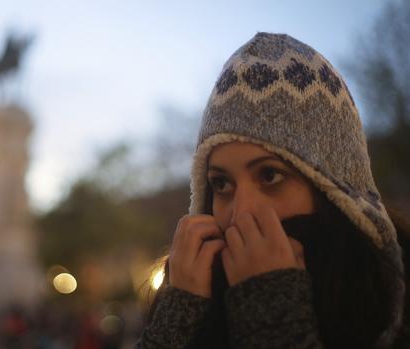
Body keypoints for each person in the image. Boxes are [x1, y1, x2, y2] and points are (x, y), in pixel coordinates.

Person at [135, 32, 410, 348]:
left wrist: (273, 321)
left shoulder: (395, 310)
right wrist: (174, 324)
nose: (241, 212)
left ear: (334, 187)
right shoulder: (194, 302)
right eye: (221, 184)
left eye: (270, 175)